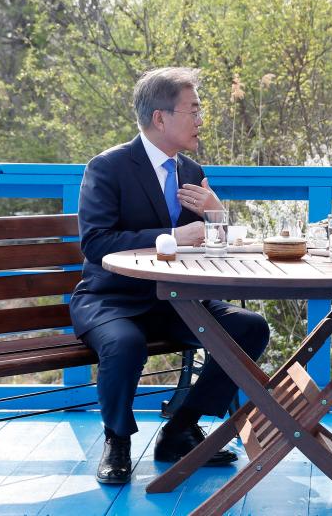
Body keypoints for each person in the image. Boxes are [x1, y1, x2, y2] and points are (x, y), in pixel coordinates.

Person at [69, 67, 270, 485]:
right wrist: (173, 237)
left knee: (250, 329)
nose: (201, 120)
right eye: (192, 110)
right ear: (160, 118)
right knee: (124, 345)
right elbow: (96, 243)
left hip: (178, 301)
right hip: (111, 299)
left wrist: (218, 215)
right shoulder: (107, 168)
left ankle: (180, 428)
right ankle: (117, 441)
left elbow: (218, 247)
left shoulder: (192, 172)